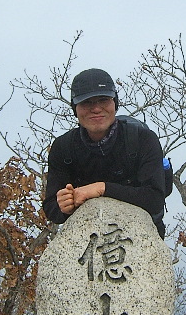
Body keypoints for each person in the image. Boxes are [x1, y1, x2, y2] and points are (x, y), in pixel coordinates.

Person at [42, 68, 167, 236]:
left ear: (115, 103)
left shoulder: (142, 140)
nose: (96, 109)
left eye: (103, 100)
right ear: (75, 108)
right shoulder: (63, 148)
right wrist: (64, 205)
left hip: (141, 236)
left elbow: (155, 199)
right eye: (87, 102)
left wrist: (101, 188)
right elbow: (52, 208)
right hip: (87, 239)